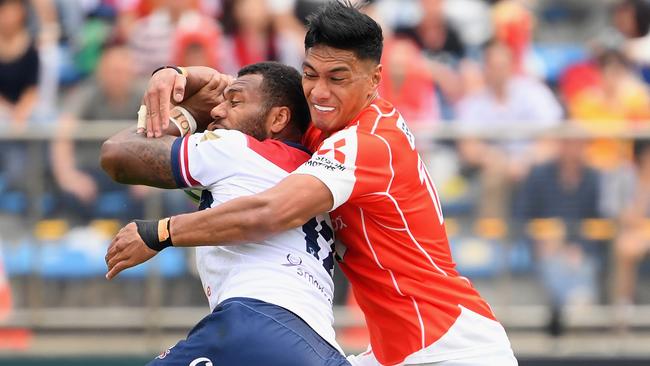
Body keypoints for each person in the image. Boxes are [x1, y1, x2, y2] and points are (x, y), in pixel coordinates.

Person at [107, 2, 517, 365]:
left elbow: (269, 212)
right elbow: (250, 96)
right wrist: (175, 73)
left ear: (374, 80)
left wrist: (160, 232)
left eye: (337, 78)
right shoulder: (329, 119)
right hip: (397, 351)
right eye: (310, 74)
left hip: (452, 349)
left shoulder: (368, 142)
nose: (319, 92)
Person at [101, 62, 349, 366]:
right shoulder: (312, 172)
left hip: (255, 324)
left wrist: (191, 111)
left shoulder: (236, 148)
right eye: (219, 103)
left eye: (235, 102)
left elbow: (117, 154)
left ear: (279, 118)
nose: (217, 111)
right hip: (321, 349)